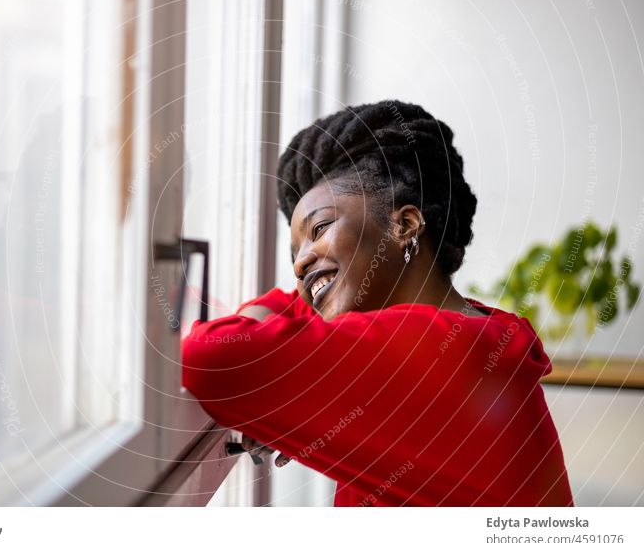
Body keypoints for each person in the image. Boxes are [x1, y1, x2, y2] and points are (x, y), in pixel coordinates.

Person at [181, 101, 573, 507]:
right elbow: (284, 314)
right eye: (295, 251)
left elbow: (209, 358)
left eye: (320, 228)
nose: (299, 263)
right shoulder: (475, 332)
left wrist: (263, 382)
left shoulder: (434, 350)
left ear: (403, 225)